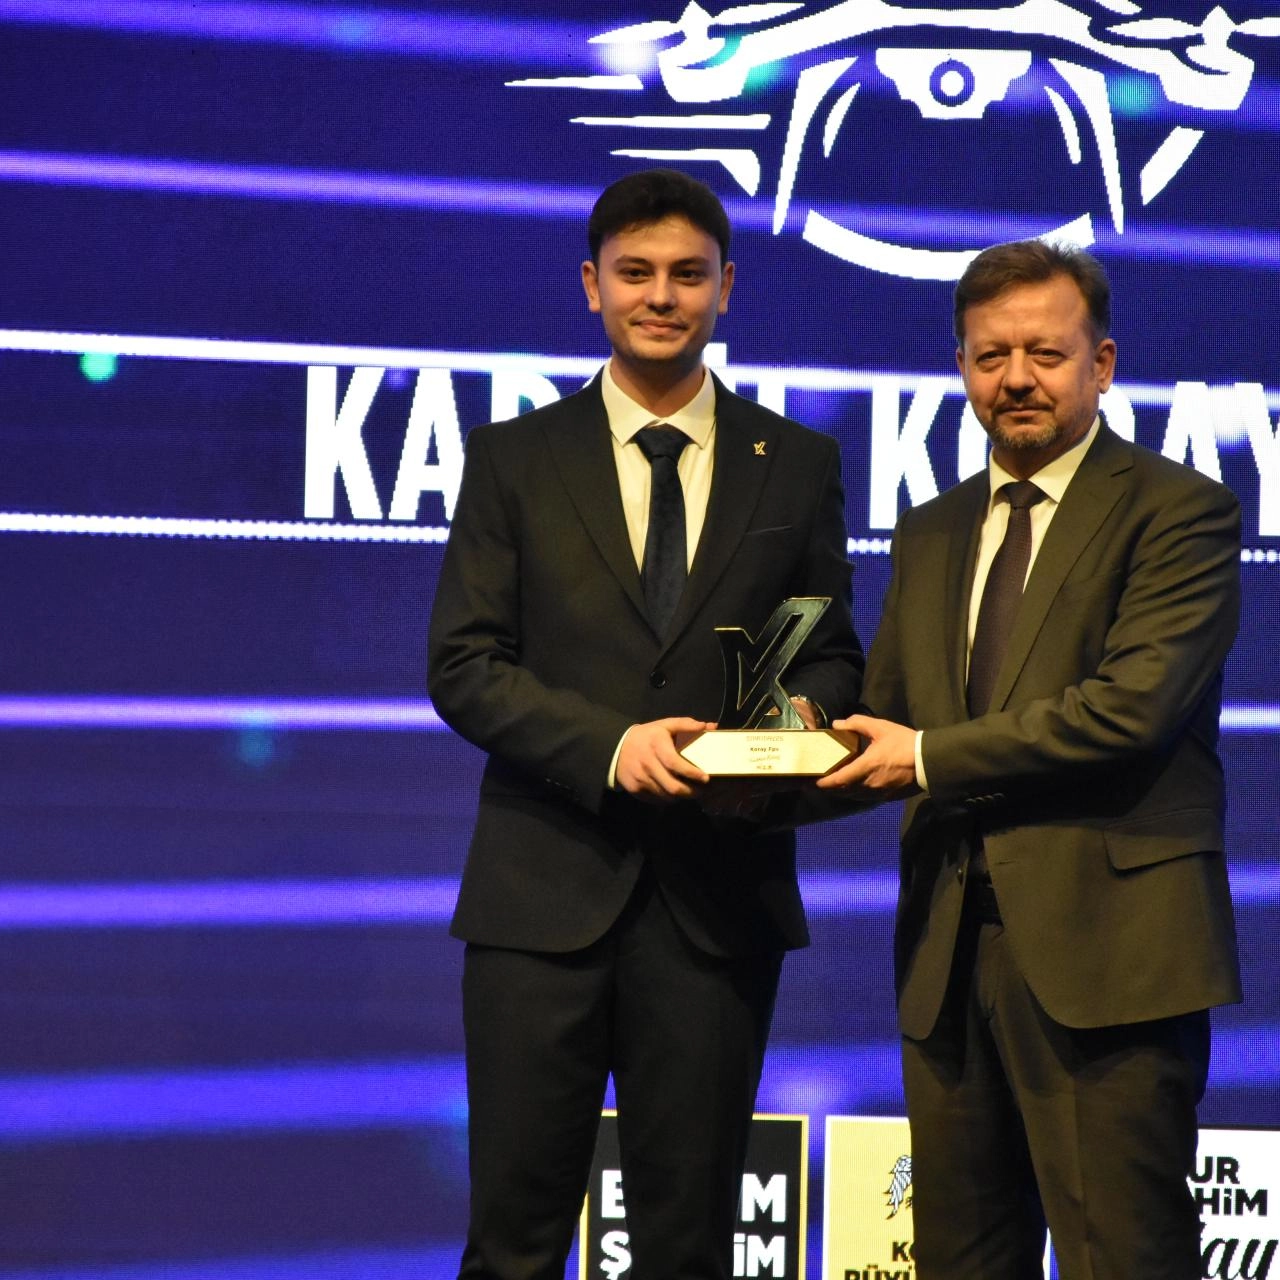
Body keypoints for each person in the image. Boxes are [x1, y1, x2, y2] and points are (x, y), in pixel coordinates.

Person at [427, 168, 863, 1280]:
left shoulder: (796, 463)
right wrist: (614, 747)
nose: (660, 296)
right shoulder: (513, 458)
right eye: (635, 273)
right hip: (540, 902)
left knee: (689, 1246)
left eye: (686, 274)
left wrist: (784, 729)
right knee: (514, 1241)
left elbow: (826, 649)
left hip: (717, 902)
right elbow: (466, 666)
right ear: (592, 286)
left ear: (727, 288)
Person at [817, 240, 1243, 1280]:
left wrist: (924, 755)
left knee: (1123, 1261)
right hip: (948, 960)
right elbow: (883, 724)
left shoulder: (1179, 511)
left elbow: (1127, 712)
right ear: (961, 366)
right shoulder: (931, 530)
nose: (1016, 378)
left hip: (1110, 959)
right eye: (990, 355)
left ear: (1102, 363)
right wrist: (738, 767)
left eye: (1045, 354)